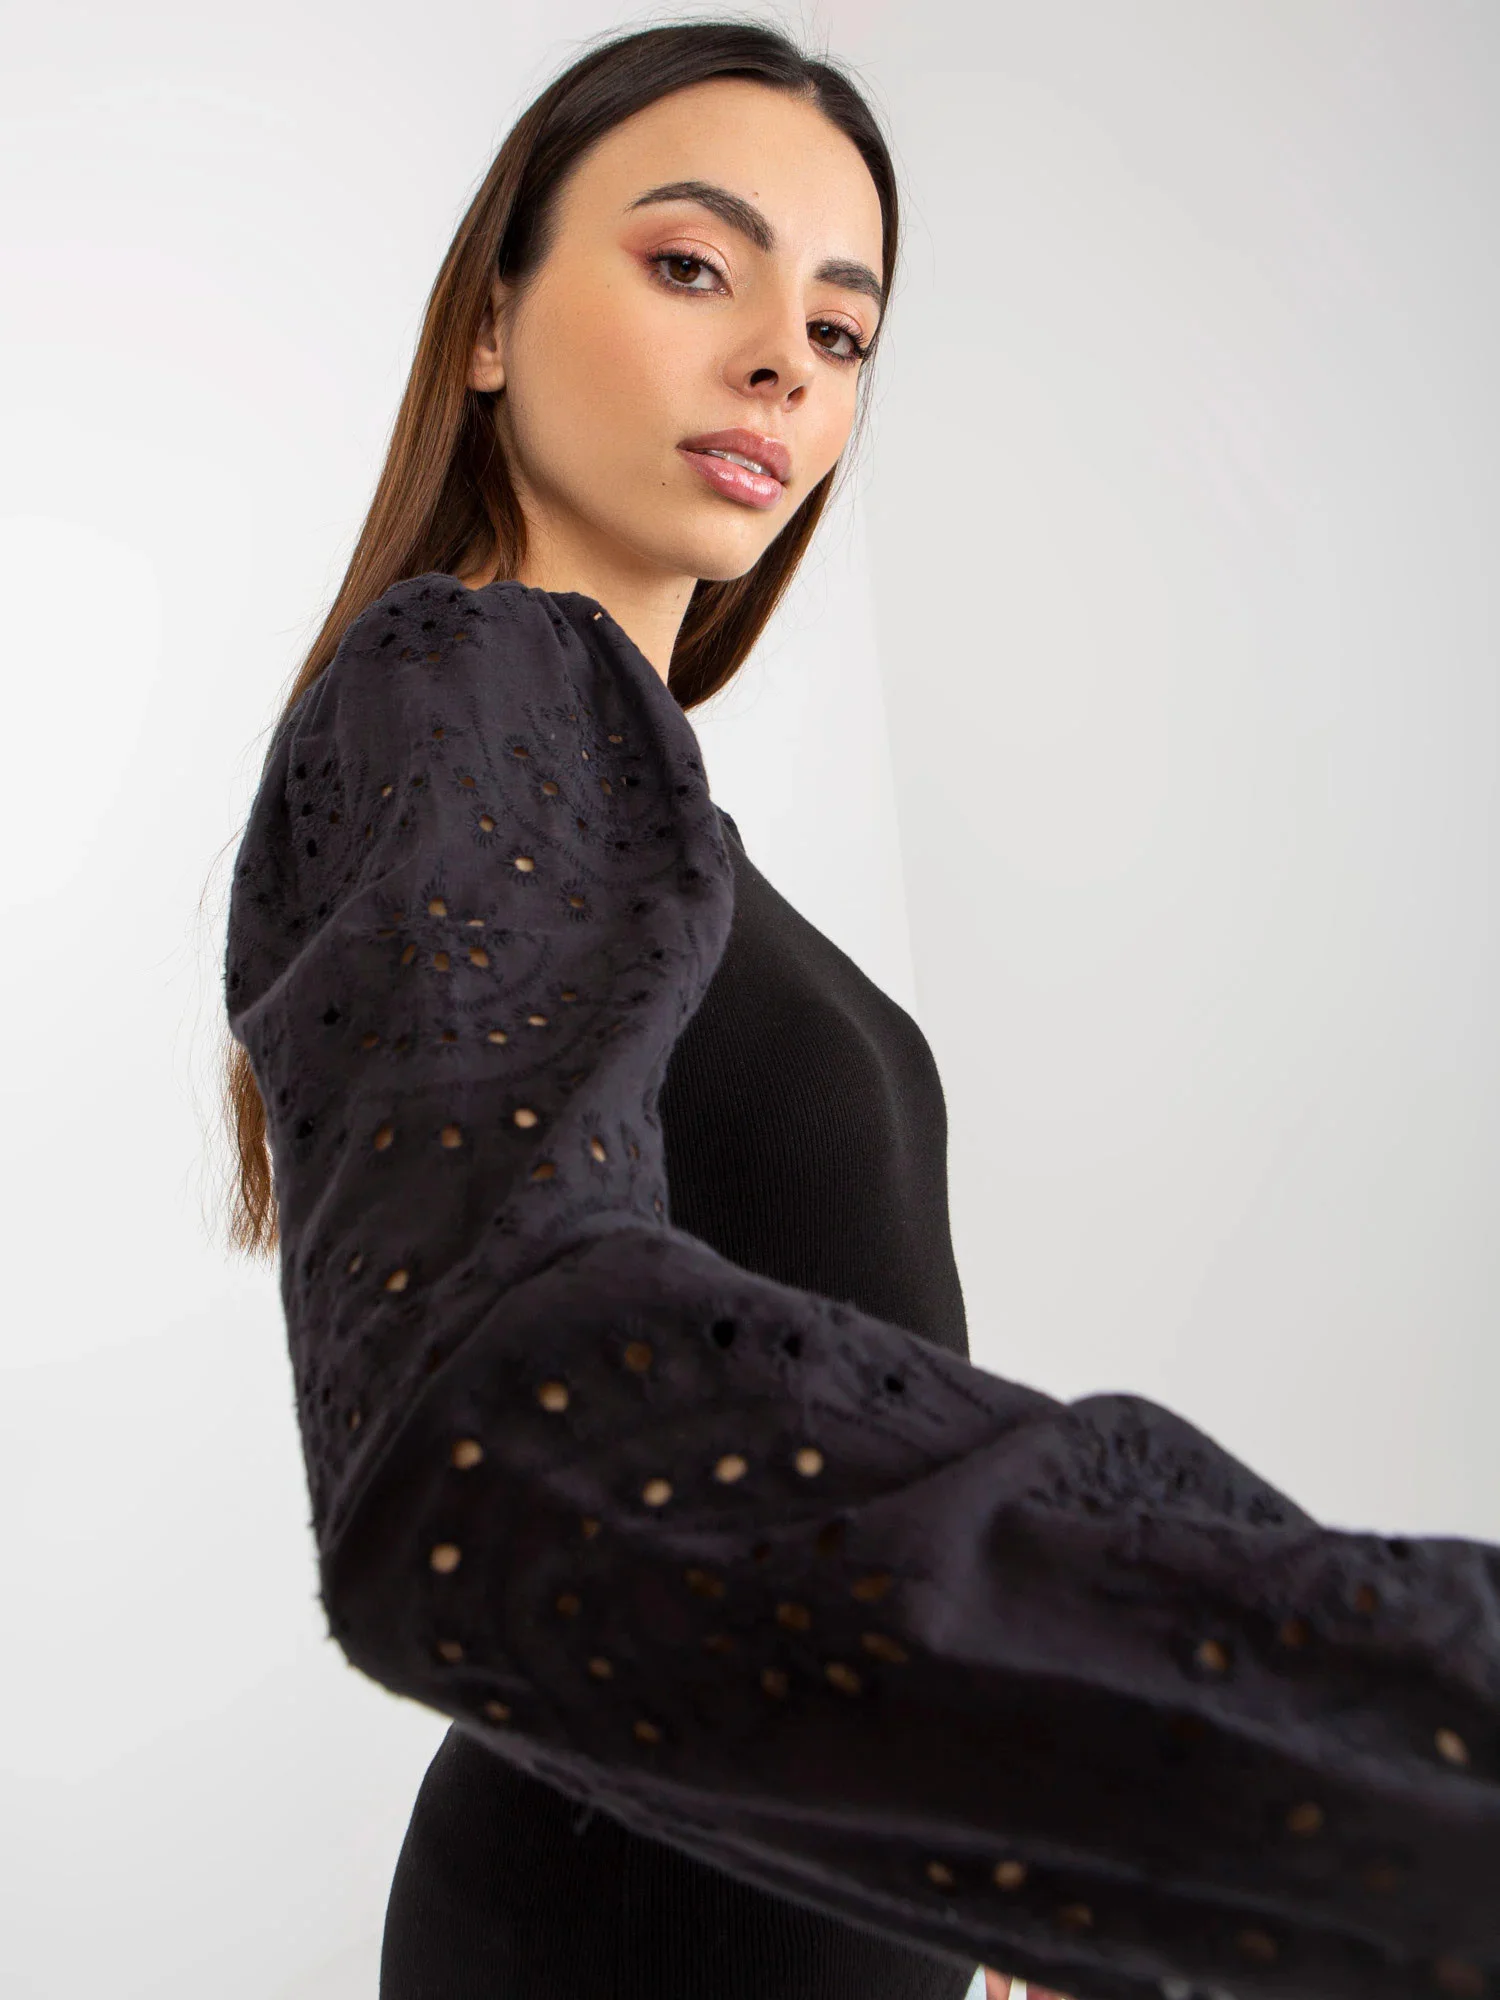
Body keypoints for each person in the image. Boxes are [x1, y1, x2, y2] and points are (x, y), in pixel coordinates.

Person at [220, 20, 1498, 2000]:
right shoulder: (467, 683)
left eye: (840, 330)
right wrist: (1280, 1739)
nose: (783, 367)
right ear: (488, 322)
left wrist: (1009, 1858)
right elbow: (486, 1408)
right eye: (692, 266)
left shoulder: (638, 812)